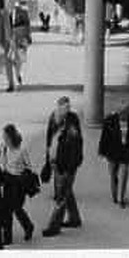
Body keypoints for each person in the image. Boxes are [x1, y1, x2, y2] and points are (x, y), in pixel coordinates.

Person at [42, 96, 83, 237]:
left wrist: (72, 165)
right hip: (56, 161)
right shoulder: (53, 118)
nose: (66, 111)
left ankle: (54, 226)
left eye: (68, 108)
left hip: (66, 164)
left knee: (61, 196)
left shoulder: (72, 121)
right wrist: (47, 161)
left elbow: (77, 144)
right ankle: (74, 219)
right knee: (66, 191)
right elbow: (48, 141)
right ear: (58, 107)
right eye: (64, 108)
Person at [1, 124, 35, 244]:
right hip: (8, 180)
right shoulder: (5, 148)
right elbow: (4, 164)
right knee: (6, 210)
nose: (4, 139)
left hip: (18, 182)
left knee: (16, 208)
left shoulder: (22, 150)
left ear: (11, 137)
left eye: (5, 137)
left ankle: (28, 226)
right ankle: (7, 237)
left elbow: (29, 166)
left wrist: (23, 175)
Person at [98, 109, 129, 208]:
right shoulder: (109, 121)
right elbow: (104, 136)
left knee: (124, 176)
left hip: (126, 153)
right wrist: (102, 151)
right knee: (113, 175)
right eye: (122, 117)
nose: (124, 119)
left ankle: (121, 199)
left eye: (126, 117)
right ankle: (115, 195)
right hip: (112, 152)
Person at [2, 0, 31, 92]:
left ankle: (18, 73)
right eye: (10, 3)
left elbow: (27, 25)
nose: (11, 4)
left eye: (13, 2)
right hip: (10, 39)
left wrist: (28, 37)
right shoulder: (4, 14)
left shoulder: (23, 12)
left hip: (21, 38)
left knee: (19, 59)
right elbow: (2, 27)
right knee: (11, 59)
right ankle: (12, 81)